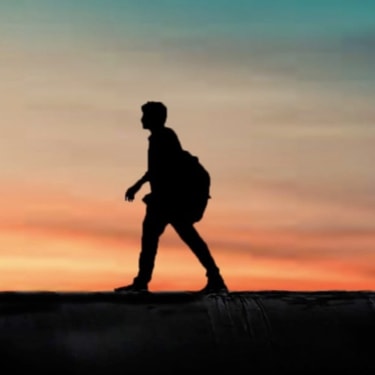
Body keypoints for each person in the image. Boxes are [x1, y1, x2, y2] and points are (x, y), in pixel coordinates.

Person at [115, 101, 227, 293]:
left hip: (168, 201)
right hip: (162, 200)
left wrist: (140, 186)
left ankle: (214, 278)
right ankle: (142, 281)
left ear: (154, 118)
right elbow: (155, 169)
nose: (142, 119)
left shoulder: (165, 137)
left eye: (145, 115)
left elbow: (166, 167)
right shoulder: (158, 138)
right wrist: (139, 185)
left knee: (183, 237)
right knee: (157, 238)